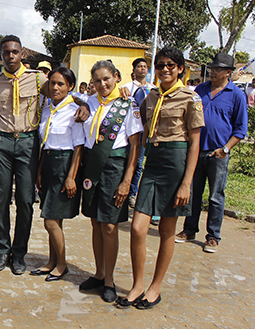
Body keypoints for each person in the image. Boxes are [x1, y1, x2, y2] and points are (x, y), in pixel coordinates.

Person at [118, 47, 205, 310]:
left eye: (171, 65)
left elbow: (195, 143)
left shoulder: (190, 98)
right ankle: (137, 285)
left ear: (180, 68)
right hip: (152, 162)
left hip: (175, 162)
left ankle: (155, 287)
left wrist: (187, 182)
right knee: (137, 228)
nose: (165, 69)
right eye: (160, 65)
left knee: (167, 229)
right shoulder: (151, 95)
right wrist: (124, 97)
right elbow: (137, 118)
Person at [78, 61, 142, 302]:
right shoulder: (90, 102)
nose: (102, 84)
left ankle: (109, 280)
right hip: (92, 166)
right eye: (97, 80)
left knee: (109, 225)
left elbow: (135, 145)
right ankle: (98, 273)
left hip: (115, 167)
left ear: (116, 77)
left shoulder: (127, 104)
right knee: (95, 222)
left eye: (107, 79)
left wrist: (127, 181)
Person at [0, 35, 47, 274]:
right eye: (6, 52)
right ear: (0, 55)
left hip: (27, 142)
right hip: (1, 143)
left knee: (25, 200)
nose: (10, 56)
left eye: (15, 52)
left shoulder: (38, 79)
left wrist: (83, 104)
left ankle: (19, 253)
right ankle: (2, 251)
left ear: (22, 54)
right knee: (0, 200)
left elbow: (60, 94)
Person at [175, 53, 248, 253]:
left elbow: (240, 129)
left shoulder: (237, 95)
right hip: (196, 151)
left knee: (216, 196)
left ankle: (213, 236)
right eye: (212, 68)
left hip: (219, 154)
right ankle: (189, 230)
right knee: (193, 193)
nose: (212, 71)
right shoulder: (200, 90)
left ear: (228, 73)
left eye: (217, 69)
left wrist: (225, 149)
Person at [30, 66, 85, 281]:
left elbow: (78, 147)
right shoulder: (47, 109)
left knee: (50, 221)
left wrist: (71, 176)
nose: (55, 87)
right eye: (52, 83)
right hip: (49, 163)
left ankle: (62, 264)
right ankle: (51, 261)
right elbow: (45, 143)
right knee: (53, 220)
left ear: (70, 86)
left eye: (61, 83)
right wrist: (40, 171)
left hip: (65, 164)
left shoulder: (76, 111)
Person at [121, 58, 155, 208]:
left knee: (140, 163)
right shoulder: (126, 88)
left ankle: (133, 192)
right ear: (133, 71)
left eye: (145, 66)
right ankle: (125, 189)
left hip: (146, 131)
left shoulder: (153, 89)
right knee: (128, 160)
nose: (142, 69)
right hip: (129, 131)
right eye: (139, 66)